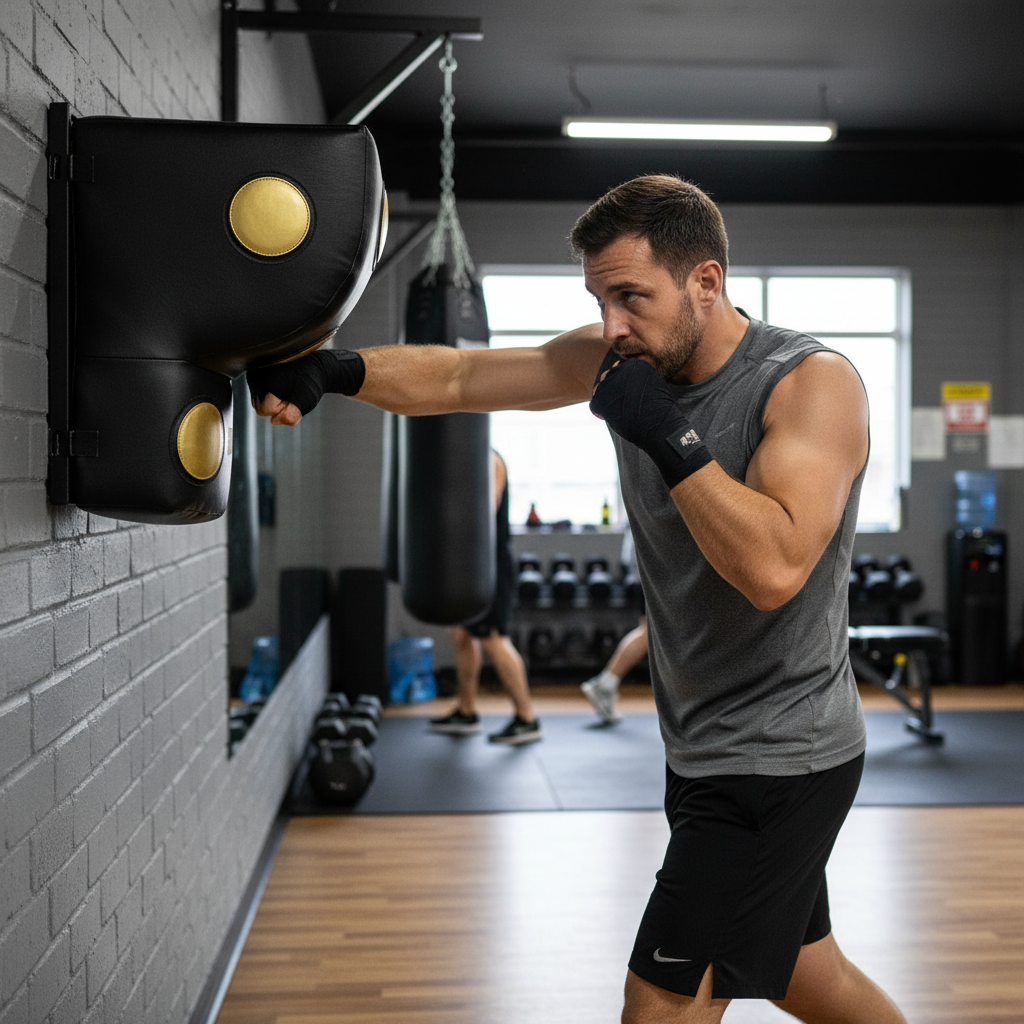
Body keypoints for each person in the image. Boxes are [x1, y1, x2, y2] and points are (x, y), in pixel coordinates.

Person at [247, 174, 906, 1024]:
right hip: (704, 742)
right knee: (804, 972)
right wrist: (335, 372)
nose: (610, 326)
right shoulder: (627, 358)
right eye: (599, 299)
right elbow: (459, 378)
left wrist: (669, 437)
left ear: (706, 281)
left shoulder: (809, 384)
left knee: (661, 1001)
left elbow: (775, 569)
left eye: (631, 296)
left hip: (778, 755)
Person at [430, 450, 542, 745]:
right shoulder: (465, 459)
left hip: (490, 562)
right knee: (462, 634)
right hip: (467, 561)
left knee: (493, 638)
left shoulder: (488, 459)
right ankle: (466, 711)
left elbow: (485, 509)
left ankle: (526, 718)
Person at [581, 520, 648, 724]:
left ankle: (606, 684)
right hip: (651, 555)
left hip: (646, 553)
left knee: (652, 631)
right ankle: (605, 684)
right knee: (652, 631)